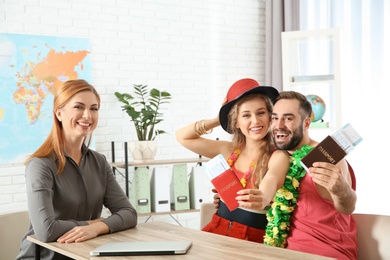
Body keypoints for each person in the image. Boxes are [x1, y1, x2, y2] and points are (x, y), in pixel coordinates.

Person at [214, 90, 358, 259]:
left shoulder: (325, 157)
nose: (279, 125)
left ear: (306, 123)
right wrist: (230, 198)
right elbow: (270, 182)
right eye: (274, 118)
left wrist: (341, 190)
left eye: (288, 118)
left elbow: (348, 207)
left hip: (325, 251)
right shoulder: (275, 157)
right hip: (280, 252)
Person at [17, 79, 138, 260]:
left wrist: (97, 227)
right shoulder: (40, 165)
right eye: (79, 107)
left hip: (85, 254)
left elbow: (129, 213)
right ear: (59, 113)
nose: (87, 115)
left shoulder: (99, 161)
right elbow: (46, 231)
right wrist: (91, 222)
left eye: (94, 108)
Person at [176, 78, 290, 243]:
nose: (255, 121)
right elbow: (183, 137)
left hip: (254, 238)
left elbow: (271, 180)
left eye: (261, 113)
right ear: (236, 122)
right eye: (246, 115)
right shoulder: (228, 150)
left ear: (270, 117)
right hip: (216, 229)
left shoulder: (278, 155)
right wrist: (218, 119)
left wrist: (262, 197)